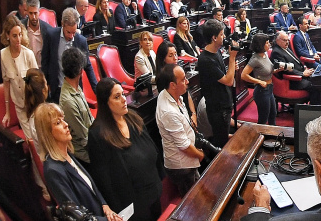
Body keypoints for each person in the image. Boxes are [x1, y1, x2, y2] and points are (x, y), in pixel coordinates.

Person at [86, 78, 162, 221]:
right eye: (117, 97)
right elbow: (104, 181)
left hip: (153, 191)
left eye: (123, 94)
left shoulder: (133, 119)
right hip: (132, 205)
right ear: (105, 103)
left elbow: (152, 150)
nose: (123, 99)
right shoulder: (97, 135)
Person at [35, 103, 122, 221]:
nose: (66, 124)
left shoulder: (67, 154)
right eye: (58, 122)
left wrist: (104, 205)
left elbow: (90, 186)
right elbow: (76, 216)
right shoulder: (53, 170)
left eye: (63, 119)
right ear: (48, 133)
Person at [156, 64, 204, 196]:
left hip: (188, 160)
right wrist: (200, 155)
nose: (187, 81)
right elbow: (184, 146)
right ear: (172, 85)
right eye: (183, 79)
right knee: (193, 200)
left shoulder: (169, 94)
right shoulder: (168, 111)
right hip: (182, 166)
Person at [198, 19, 239, 147]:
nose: (224, 37)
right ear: (214, 38)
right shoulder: (205, 59)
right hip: (217, 109)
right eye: (221, 34)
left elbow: (224, 75)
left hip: (225, 103)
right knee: (222, 143)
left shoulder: (217, 52)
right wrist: (232, 58)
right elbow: (228, 81)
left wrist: (232, 67)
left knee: (225, 137)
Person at [42, 8, 98, 103]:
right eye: (68, 32)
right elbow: (45, 61)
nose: (71, 36)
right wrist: (46, 83)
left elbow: (87, 65)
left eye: (74, 32)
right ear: (62, 24)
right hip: (56, 88)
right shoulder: (51, 36)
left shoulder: (81, 41)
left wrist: (96, 90)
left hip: (74, 90)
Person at [0, 16, 38, 139]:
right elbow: (6, 82)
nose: (18, 39)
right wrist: (7, 112)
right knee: (30, 140)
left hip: (33, 104)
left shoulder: (29, 54)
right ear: (7, 36)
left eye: (20, 34)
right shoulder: (3, 55)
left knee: (37, 137)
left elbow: (38, 82)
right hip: (19, 106)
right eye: (14, 36)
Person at [59, 48, 94, 164]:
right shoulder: (68, 102)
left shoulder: (76, 88)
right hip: (85, 155)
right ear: (81, 71)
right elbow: (84, 139)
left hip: (92, 141)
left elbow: (90, 120)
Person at [270, 31, 318, 104]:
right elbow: (285, 70)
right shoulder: (276, 52)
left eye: (288, 40)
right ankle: (313, 109)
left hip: (300, 74)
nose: (287, 42)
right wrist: (302, 74)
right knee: (315, 86)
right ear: (277, 40)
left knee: (318, 80)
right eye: (284, 40)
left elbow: (295, 61)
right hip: (291, 81)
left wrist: (304, 68)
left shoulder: (284, 47)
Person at [241, 34, 277, 126]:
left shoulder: (265, 54)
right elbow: (243, 75)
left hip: (269, 88)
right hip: (262, 91)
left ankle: (273, 134)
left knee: (273, 114)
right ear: (261, 45)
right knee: (263, 119)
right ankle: (260, 135)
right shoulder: (255, 59)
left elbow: (267, 71)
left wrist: (278, 69)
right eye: (267, 43)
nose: (269, 44)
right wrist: (259, 81)